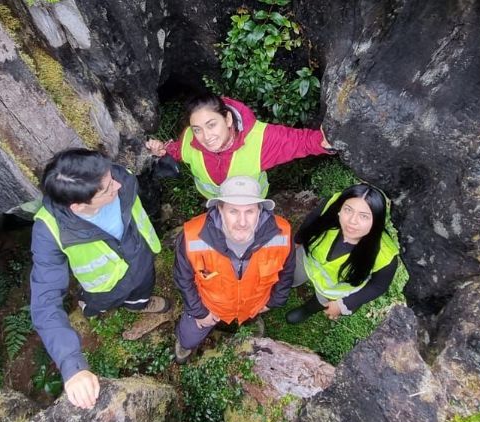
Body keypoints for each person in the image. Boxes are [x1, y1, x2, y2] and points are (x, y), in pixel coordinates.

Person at [30, 148, 170, 409]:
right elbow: (45, 302)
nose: (117, 183)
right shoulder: (49, 231)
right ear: (79, 206)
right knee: (102, 302)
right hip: (105, 286)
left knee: (142, 290)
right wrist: (72, 367)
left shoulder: (111, 176)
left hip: (141, 257)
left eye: (111, 178)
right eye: (107, 189)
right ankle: (91, 306)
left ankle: (138, 303)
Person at [173, 176, 296, 362]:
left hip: (254, 303)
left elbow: (287, 271)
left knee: (250, 317)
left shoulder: (282, 232)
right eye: (233, 211)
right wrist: (200, 313)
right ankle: (187, 342)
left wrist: (274, 301)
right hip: (209, 305)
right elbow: (183, 279)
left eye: (250, 211)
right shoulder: (192, 235)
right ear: (219, 209)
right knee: (188, 339)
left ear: (260, 210)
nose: (242, 222)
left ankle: (249, 318)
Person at [146, 93, 332, 200]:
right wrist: (164, 149)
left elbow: (300, 141)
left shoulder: (260, 139)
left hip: (251, 207)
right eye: (197, 129)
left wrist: (324, 142)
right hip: (216, 203)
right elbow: (181, 150)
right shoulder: (190, 139)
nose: (206, 137)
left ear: (227, 118)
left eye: (212, 125)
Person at [286, 183, 400, 323]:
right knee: (289, 274)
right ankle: (284, 286)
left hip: (334, 288)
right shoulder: (331, 206)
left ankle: (307, 310)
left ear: (376, 221)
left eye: (364, 216)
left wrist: (344, 304)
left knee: (322, 300)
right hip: (308, 260)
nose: (352, 221)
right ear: (340, 209)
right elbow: (312, 220)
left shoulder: (386, 256)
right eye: (348, 210)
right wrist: (296, 242)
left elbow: (378, 286)